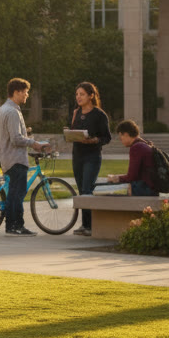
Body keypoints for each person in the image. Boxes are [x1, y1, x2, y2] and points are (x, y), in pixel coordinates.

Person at [0, 78, 50, 237]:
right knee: (17, 194)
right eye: (25, 92)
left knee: (13, 193)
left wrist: (26, 133)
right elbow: (16, 139)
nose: (27, 95)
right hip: (15, 158)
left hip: (6, 156)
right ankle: (16, 226)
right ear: (17, 92)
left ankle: (10, 226)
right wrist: (34, 143)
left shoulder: (2, 109)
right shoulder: (12, 112)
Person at [69, 82, 111, 237]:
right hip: (77, 155)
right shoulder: (75, 113)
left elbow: (107, 137)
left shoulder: (99, 115)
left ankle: (91, 226)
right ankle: (85, 225)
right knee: (82, 191)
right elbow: (72, 131)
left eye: (82, 94)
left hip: (92, 156)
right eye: (77, 94)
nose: (78, 97)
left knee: (87, 189)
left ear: (91, 96)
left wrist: (94, 140)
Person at [106, 120, 158, 197]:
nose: (121, 140)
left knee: (106, 191)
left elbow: (131, 177)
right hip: (152, 188)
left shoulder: (136, 147)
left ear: (126, 134)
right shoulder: (145, 144)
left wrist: (116, 178)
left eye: (121, 137)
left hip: (145, 189)